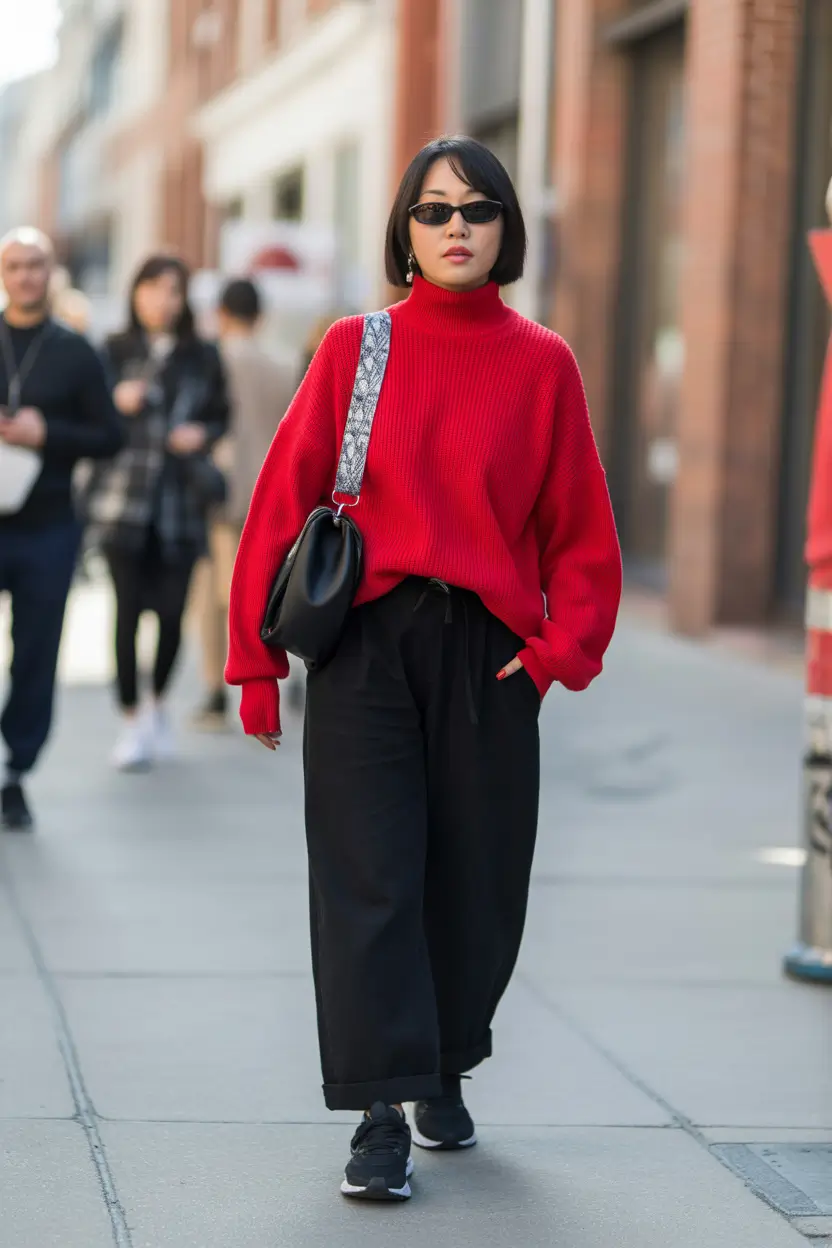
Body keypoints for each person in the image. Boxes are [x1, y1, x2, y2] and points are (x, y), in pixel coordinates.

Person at [226, 136, 622, 1201]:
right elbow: (281, 500)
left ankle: (444, 1060)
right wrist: (255, 662)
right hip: (364, 647)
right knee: (370, 879)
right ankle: (379, 1111)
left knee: (476, 887)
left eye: (477, 209)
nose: (456, 227)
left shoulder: (542, 363)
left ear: (505, 231)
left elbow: (581, 531)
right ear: (405, 230)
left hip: (489, 658)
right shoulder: (355, 347)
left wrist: (554, 657)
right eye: (434, 210)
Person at [0, 227, 123, 830]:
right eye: (15, 265)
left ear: (51, 272)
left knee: (36, 654)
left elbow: (111, 436)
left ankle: (14, 771)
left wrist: (46, 433)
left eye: (36, 264)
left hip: (48, 526)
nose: (26, 275)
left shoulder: (76, 351)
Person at [86, 254, 229, 771]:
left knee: (171, 615)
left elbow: (220, 415)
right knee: (126, 614)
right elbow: (89, 414)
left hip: (178, 503)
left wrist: (200, 434)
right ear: (134, 293)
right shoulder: (113, 349)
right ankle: (131, 720)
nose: (160, 300)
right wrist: (114, 400)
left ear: (183, 299)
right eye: (150, 288)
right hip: (122, 500)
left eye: (171, 290)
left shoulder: (202, 355)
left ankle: (156, 704)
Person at [192, 277, 295, 730]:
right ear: (260, 315)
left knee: (216, 596)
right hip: (274, 493)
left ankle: (216, 691)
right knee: (277, 588)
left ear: (221, 313)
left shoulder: (213, 359)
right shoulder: (285, 364)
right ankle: (288, 678)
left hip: (225, 490)